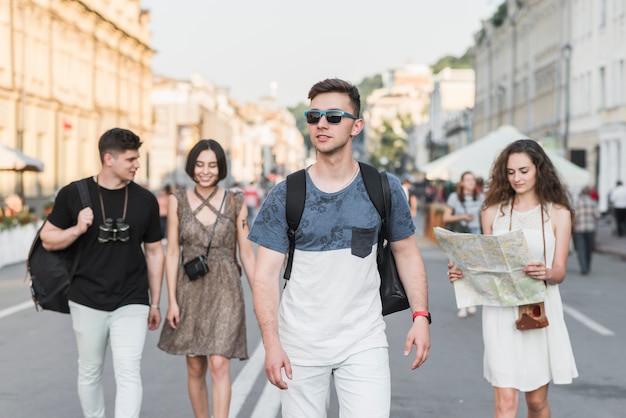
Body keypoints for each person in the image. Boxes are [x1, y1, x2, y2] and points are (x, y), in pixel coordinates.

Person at [248, 78, 430, 417]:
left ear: (356, 126)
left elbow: (407, 253)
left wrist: (421, 316)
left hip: (363, 340)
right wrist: (271, 345)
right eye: (313, 115)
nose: (321, 123)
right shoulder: (287, 193)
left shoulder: (383, 187)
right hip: (300, 343)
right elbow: (265, 275)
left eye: (334, 117)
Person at [40, 127, 164, 418]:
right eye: (131, 159)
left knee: (129, 370)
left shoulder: (145, 200)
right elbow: (48, 238)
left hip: (132, 298)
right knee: (90, 370)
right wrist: (77, 228)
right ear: (109, 159)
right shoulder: (74, 194)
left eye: (137, 158)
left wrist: (155, 301)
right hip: (86, 297)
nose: (137, 164)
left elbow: (155, 251)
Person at [448, 139, 578, 418]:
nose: (516, 178)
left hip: (538, 311)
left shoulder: (558, 213)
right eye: (510, 172)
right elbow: (487, 266)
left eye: (523, 170)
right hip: (499, 312)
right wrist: (463, 273)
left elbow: (560, 271)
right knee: (506, 404)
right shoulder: (492, 212)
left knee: (536, 403)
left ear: (539, 170)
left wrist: (546, 273)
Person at [157, 139, 256, 418]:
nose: (205, 171)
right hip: (190, 286)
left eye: (212, 165)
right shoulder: (177, 200)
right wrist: (172, 301)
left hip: (226, 287)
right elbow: (173, 251)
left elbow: (247, 254)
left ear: (221, 167)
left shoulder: (236, 200)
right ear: (191, 166)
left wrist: (261, 296)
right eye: (200, 164)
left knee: (219, 363)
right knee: (195, 365)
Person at [442, 171, 485, 318]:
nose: (471, 182)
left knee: (472, 271)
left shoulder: (480, 197)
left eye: (473, 179)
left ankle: (471, 301)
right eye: (467, 180)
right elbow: (446, 217)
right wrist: (462, 217)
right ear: (461, 182)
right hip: (459, 237)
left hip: (475, 237)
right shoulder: (454, 197)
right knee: (458, 272)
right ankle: (463, 305)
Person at [573, 187, 600, 275]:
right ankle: (588, 266)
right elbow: (597, 215)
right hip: (590, 228)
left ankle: (583, 267)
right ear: (589, 193)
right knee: (589, 249)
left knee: (581, 248)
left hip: (579, 228)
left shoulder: (577, 203)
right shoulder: (593, 202)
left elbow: (574, 216)